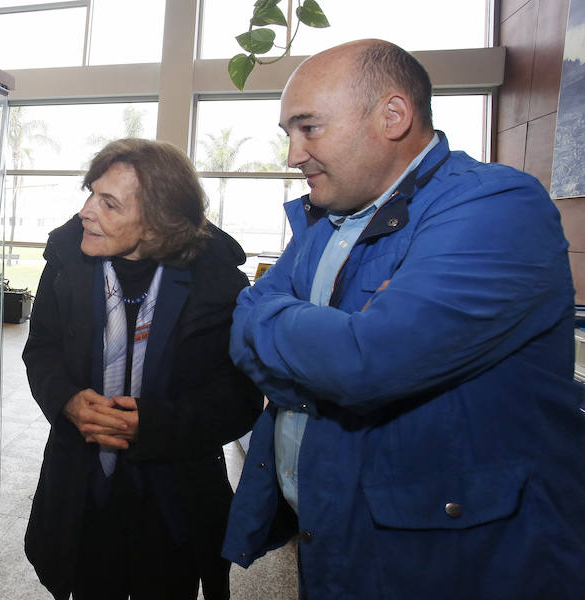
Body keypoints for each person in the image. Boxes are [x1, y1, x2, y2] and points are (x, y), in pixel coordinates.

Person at [222, 38, 585, 599]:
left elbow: (365, 362)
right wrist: (314, 333)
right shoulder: (328, 219)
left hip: (459, 564)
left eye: (308, 128)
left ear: (393, 116)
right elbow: (243, 316)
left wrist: (298, 331)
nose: (293, 154)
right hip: (341, 544)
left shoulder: (497, 206)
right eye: (287, 134)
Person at [23, 138, 263, 600]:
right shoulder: (66, 257)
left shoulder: (217, 276)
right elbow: (42, 350)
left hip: (174, 499)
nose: (86, 212)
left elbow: (240, 395)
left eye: (109, 203)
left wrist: (157, 424)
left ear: (157, 225)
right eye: (91, 193)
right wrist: (66, 400)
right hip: (83, 488)